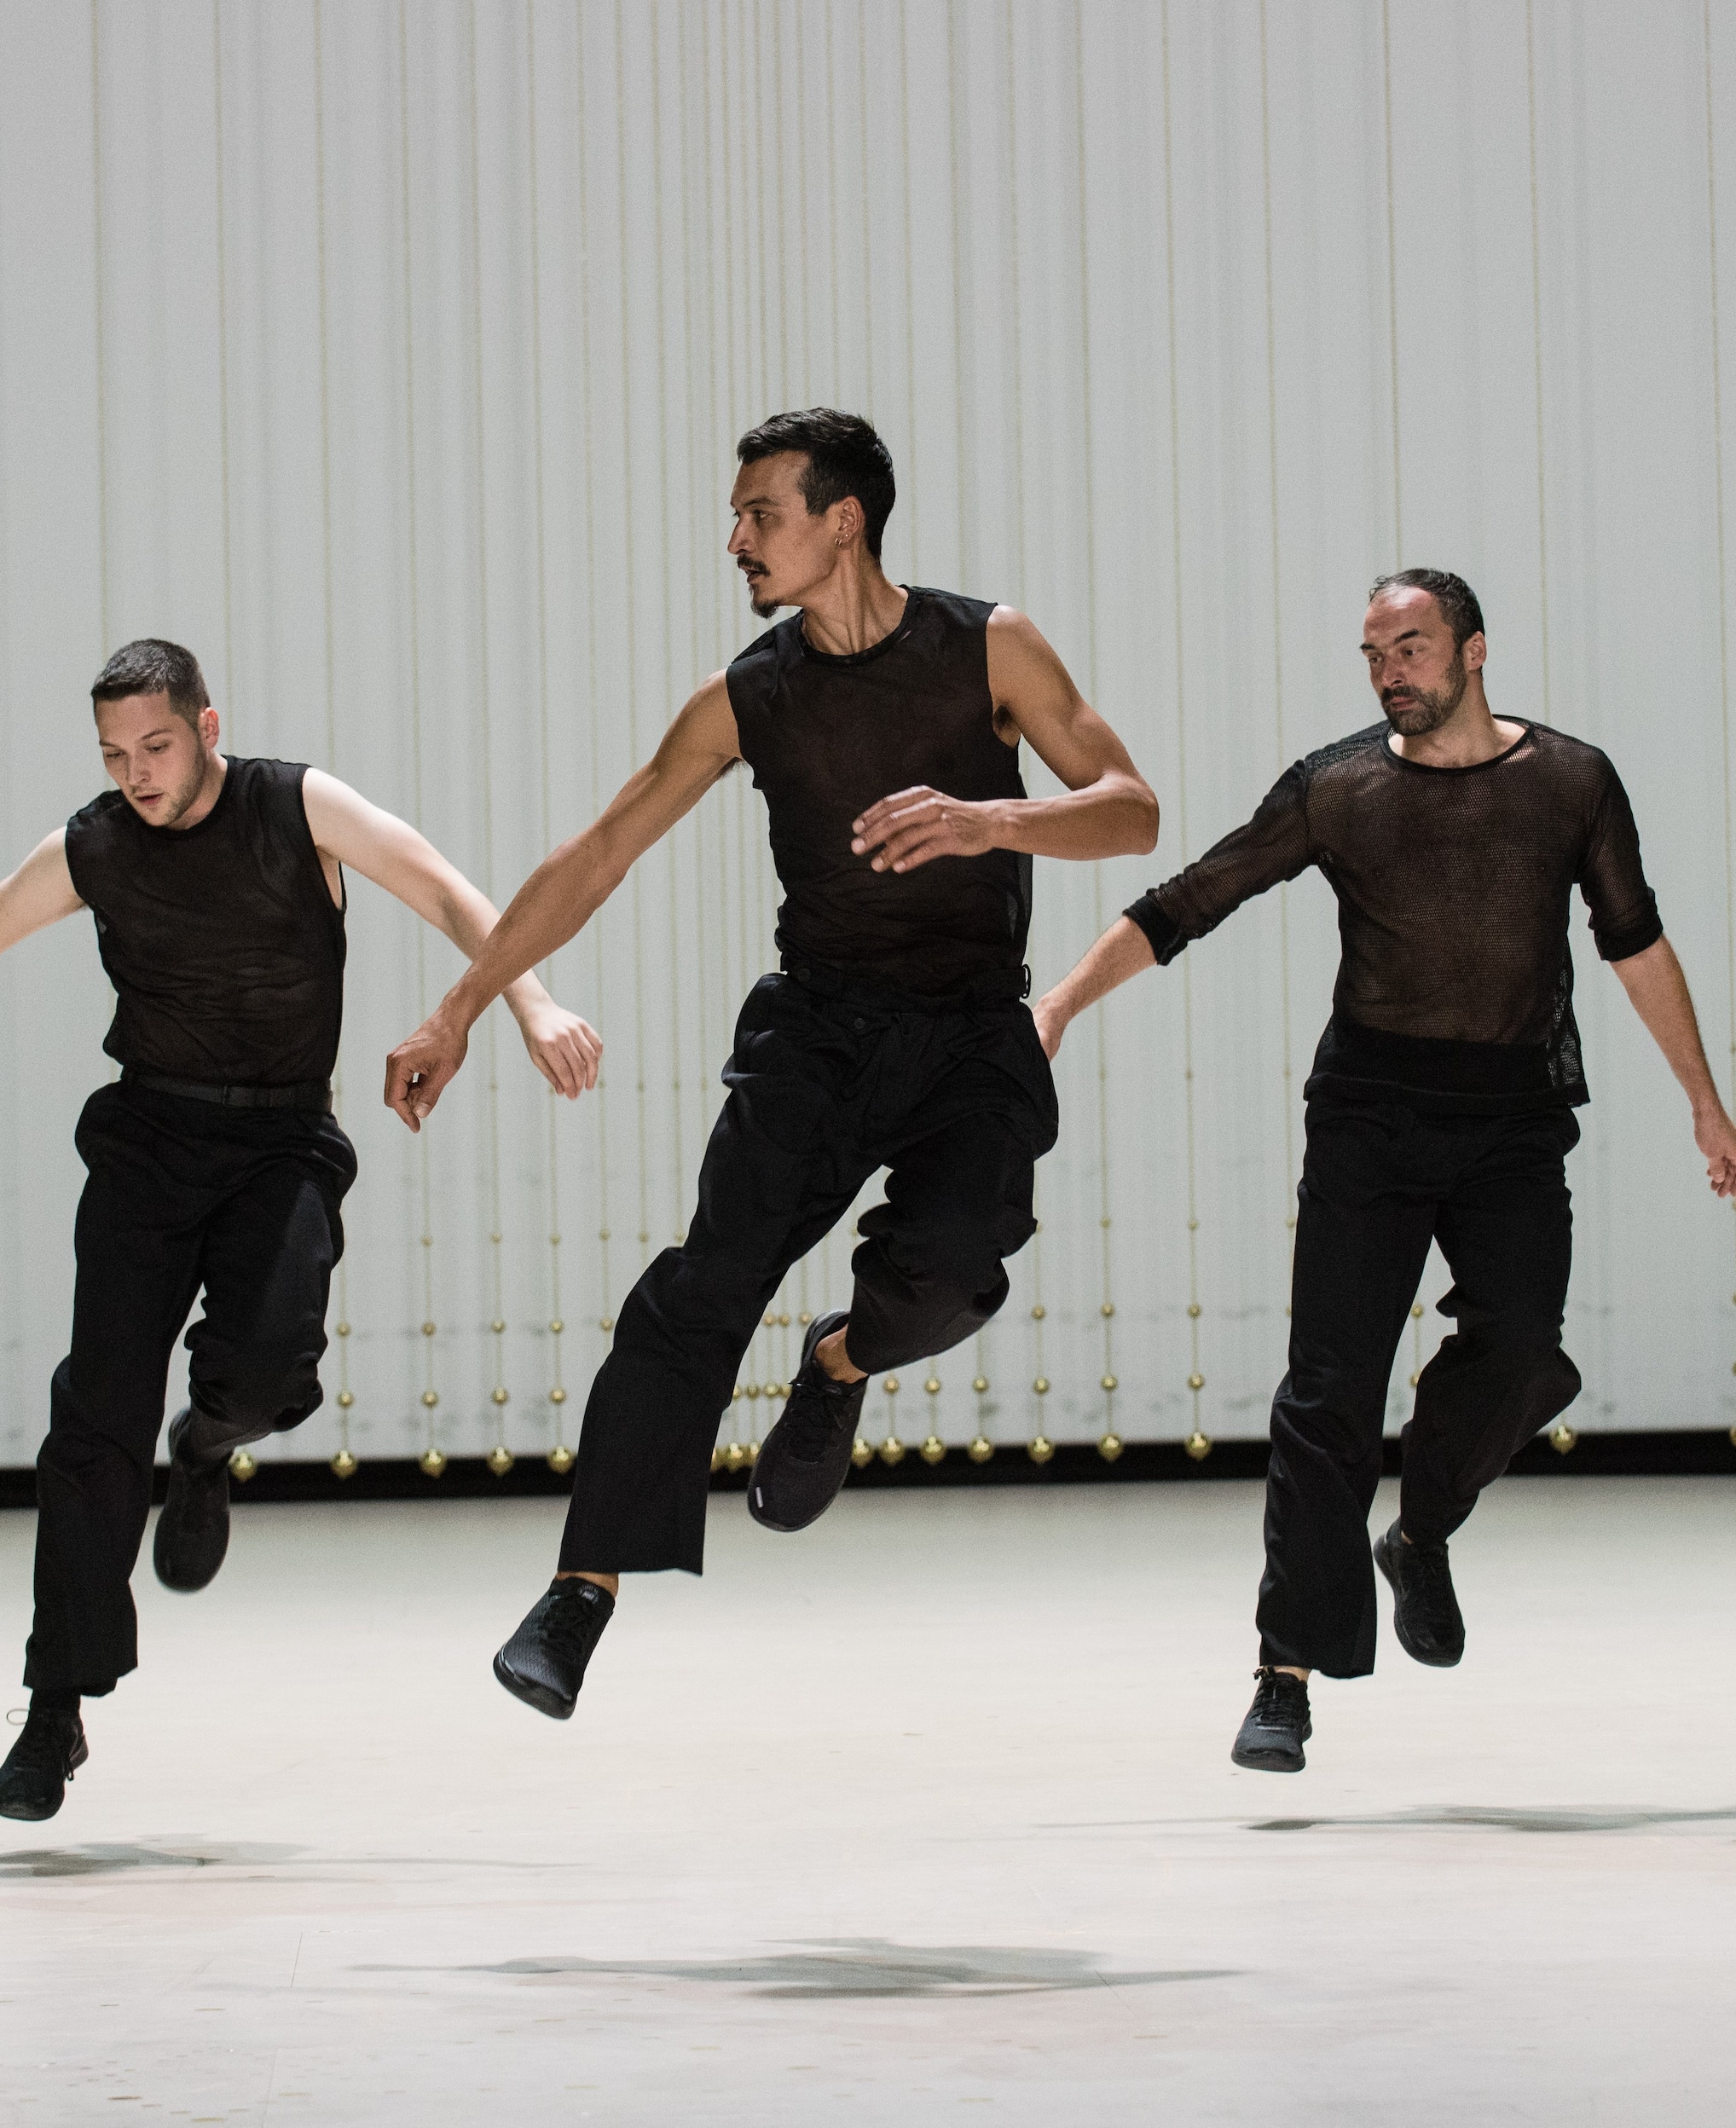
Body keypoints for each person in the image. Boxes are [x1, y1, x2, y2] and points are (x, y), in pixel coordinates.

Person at [379, 410, 1160, 1717]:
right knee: (702, 1283)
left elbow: (1132, 809)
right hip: (818, 1032)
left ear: (841, 517)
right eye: (739, 516)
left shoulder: (990, 647)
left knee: (956, 1274)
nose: (736, 538)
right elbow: (599, 849)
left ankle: (840, 1364)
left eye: (760, 513)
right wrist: (465, 1002)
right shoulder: (750, 694)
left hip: (973, 1032)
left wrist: (987, 819)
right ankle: (583, 1586)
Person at [0, 641, 599, 1818]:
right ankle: (56, 1706)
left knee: (263, 1373)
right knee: (94, 1416)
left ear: (209, 725)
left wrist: (529, 998)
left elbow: (449, 891)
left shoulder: (297, 804)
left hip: (280, 1143)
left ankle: (205, 1448)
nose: (138, 773)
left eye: (156, 745)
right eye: (115, 753)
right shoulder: (93, 845)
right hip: (150, 1140)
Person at [1033, 570, 1736, 1772]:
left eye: (1411, 646)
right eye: (1374, 654)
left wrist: (1704, 1101)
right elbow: (1190, 897)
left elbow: (1632, 942)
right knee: (1330, 1391)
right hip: (1370, 1113)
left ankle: (1420, 1530)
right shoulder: (1337, 787)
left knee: (1522, 1347)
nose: (1389, 671)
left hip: (1514, 1115)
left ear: (1474, 651)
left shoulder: (1573, 780)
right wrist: (1057, 1004)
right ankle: (1285, 1671)